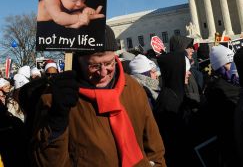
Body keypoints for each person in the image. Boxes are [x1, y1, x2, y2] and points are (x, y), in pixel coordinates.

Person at [30, 25, 166, 166]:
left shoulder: (132, 87)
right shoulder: (55, 98)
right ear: (79, 61)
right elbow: (47, 162)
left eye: (109, 63)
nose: (103, 73)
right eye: (94, 66)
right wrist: (57, 120)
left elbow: (155, 148)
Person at [204, 44, 240, 166]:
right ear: (221, 67)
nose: (234, 67)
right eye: (230, 64)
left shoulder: (229, 84)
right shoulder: (220, 89)